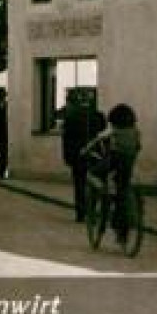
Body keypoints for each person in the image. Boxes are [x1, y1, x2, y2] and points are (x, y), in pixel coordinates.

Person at [82, 103, 142, 245]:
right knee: (122, 190)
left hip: (114, 160)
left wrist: (85, 149)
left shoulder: (113, 130)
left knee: (91, 174)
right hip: (129, 163)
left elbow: (97, 139)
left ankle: (102, 189)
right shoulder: (136, 131)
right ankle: (122, 231)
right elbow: (138, 147)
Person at [60, 88, 107, 224]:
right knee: (95, 182)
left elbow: (66, 139)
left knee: (79, 183)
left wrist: (67, 157)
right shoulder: (98, 116)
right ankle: (92, 209)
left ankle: (81, 213)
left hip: (78, 155)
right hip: (95, 153)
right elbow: (103, 137)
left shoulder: (71, 117)